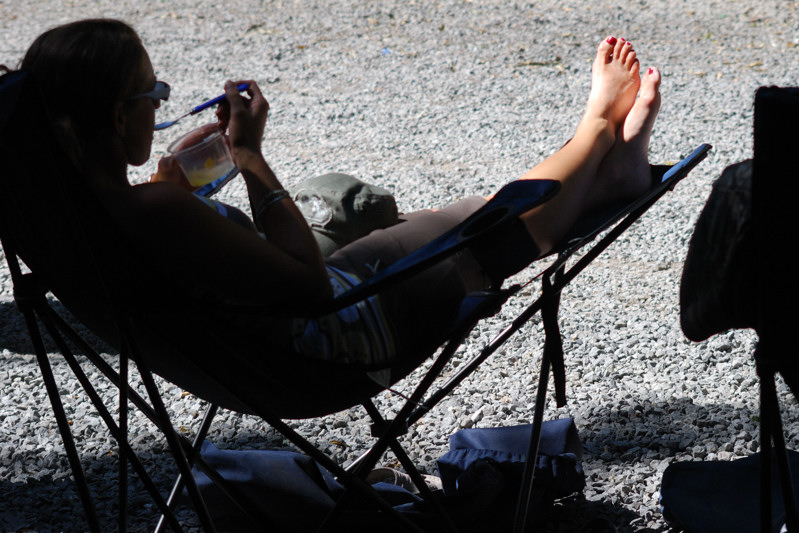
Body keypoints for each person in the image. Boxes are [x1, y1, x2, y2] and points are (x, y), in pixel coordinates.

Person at [12, 19, 661, 370]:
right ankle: (597, 130)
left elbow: (185, 257)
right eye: (154, 96)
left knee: (432, 219)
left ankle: (608, 172)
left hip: (243, 357)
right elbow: (311, 289)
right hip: (327, 345)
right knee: (485, 223)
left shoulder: (80, 217)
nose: (161, 109)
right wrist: (249, 156)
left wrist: (173, 190)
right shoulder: (155, 212)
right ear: (118, 116)